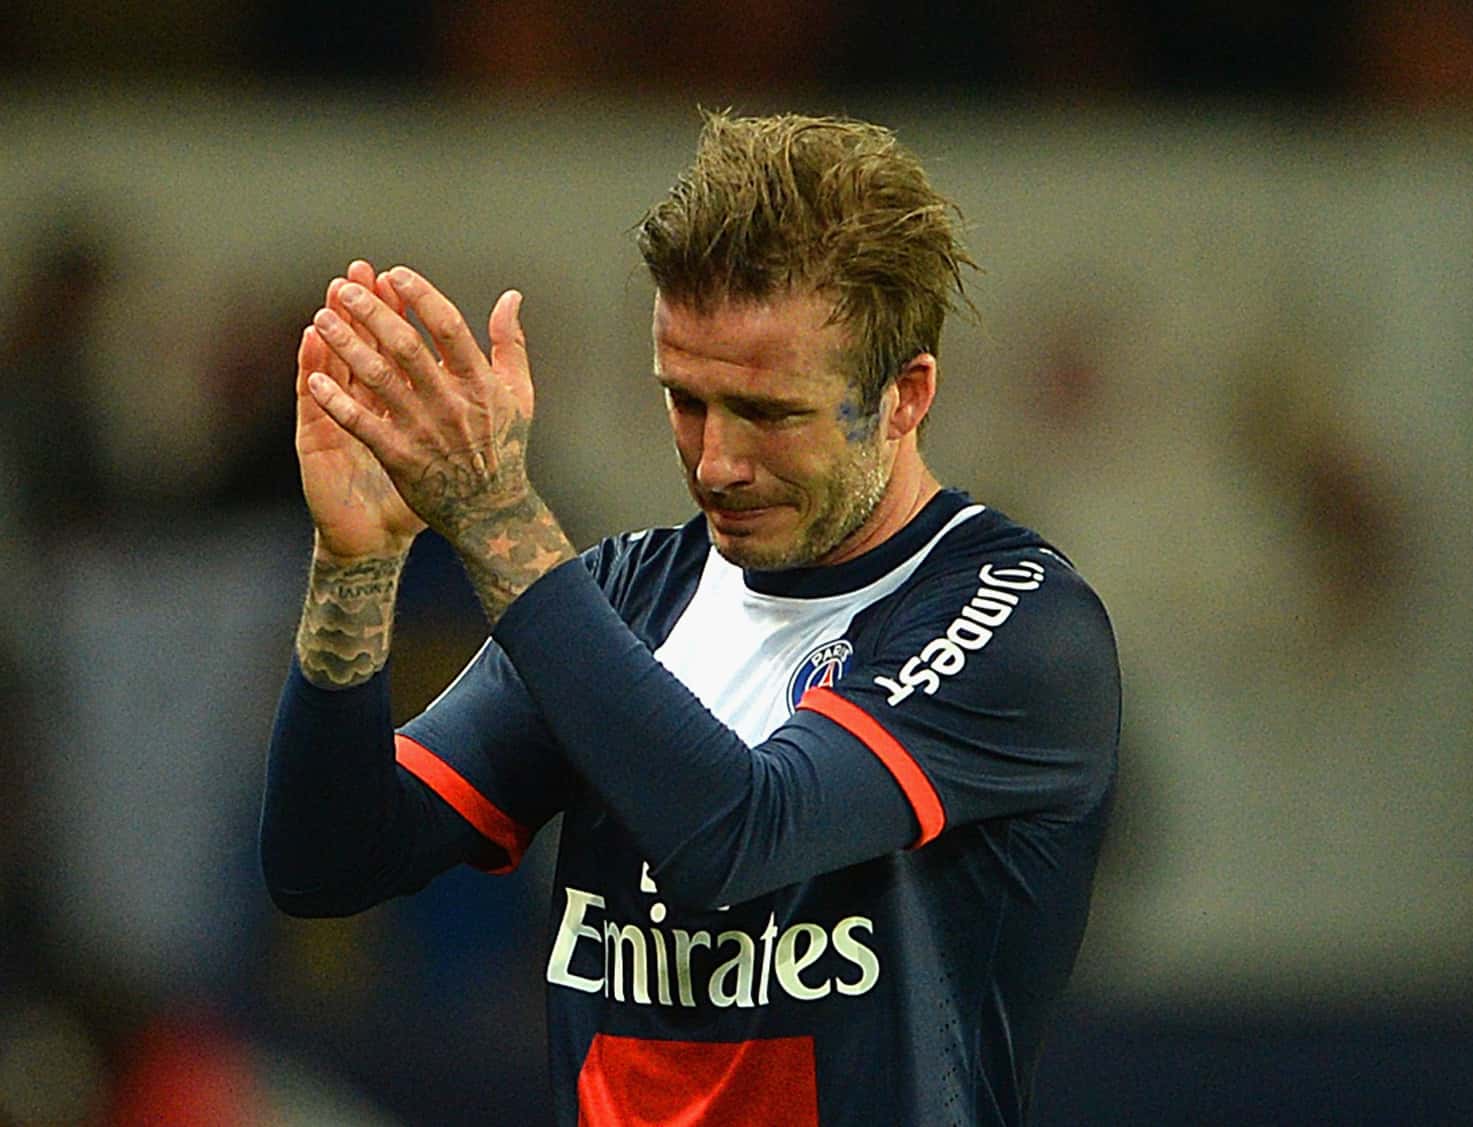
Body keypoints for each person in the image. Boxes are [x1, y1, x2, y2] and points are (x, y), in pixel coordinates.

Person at [261, 110, 1120, 1126]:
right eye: (686, 400)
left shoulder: (1019, 620)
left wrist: (496, 519)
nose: (716, 461)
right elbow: (328, 859)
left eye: (769, 413)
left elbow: (741, 832)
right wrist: (358, 564)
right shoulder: (624, 599)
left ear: (904, 395)